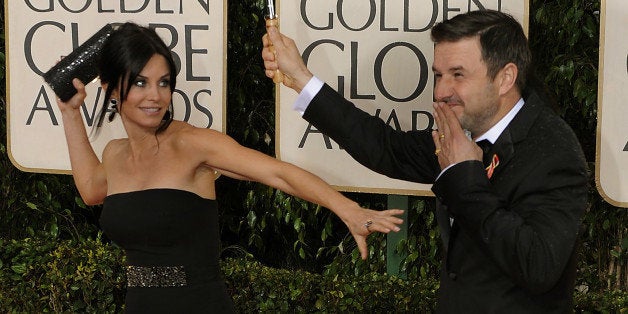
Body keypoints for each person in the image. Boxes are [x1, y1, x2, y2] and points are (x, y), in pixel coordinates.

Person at [54, 22, 404, 313]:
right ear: (111, 88)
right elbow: (91, 190)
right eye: (141, 82)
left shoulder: (194, 144)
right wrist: (70, 115)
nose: (156, 96)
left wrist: (349, 210)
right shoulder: (115, 154)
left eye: (164, 82)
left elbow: (278, 173)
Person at [262, 9, 588, 313]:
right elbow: (386, 148)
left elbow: (538, 266)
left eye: (458, 74)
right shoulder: (462, 132)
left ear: (505, 78)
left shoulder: (553, 150)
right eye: (439, 74)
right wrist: (301, 78)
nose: (441, 91)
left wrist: (465, 176)